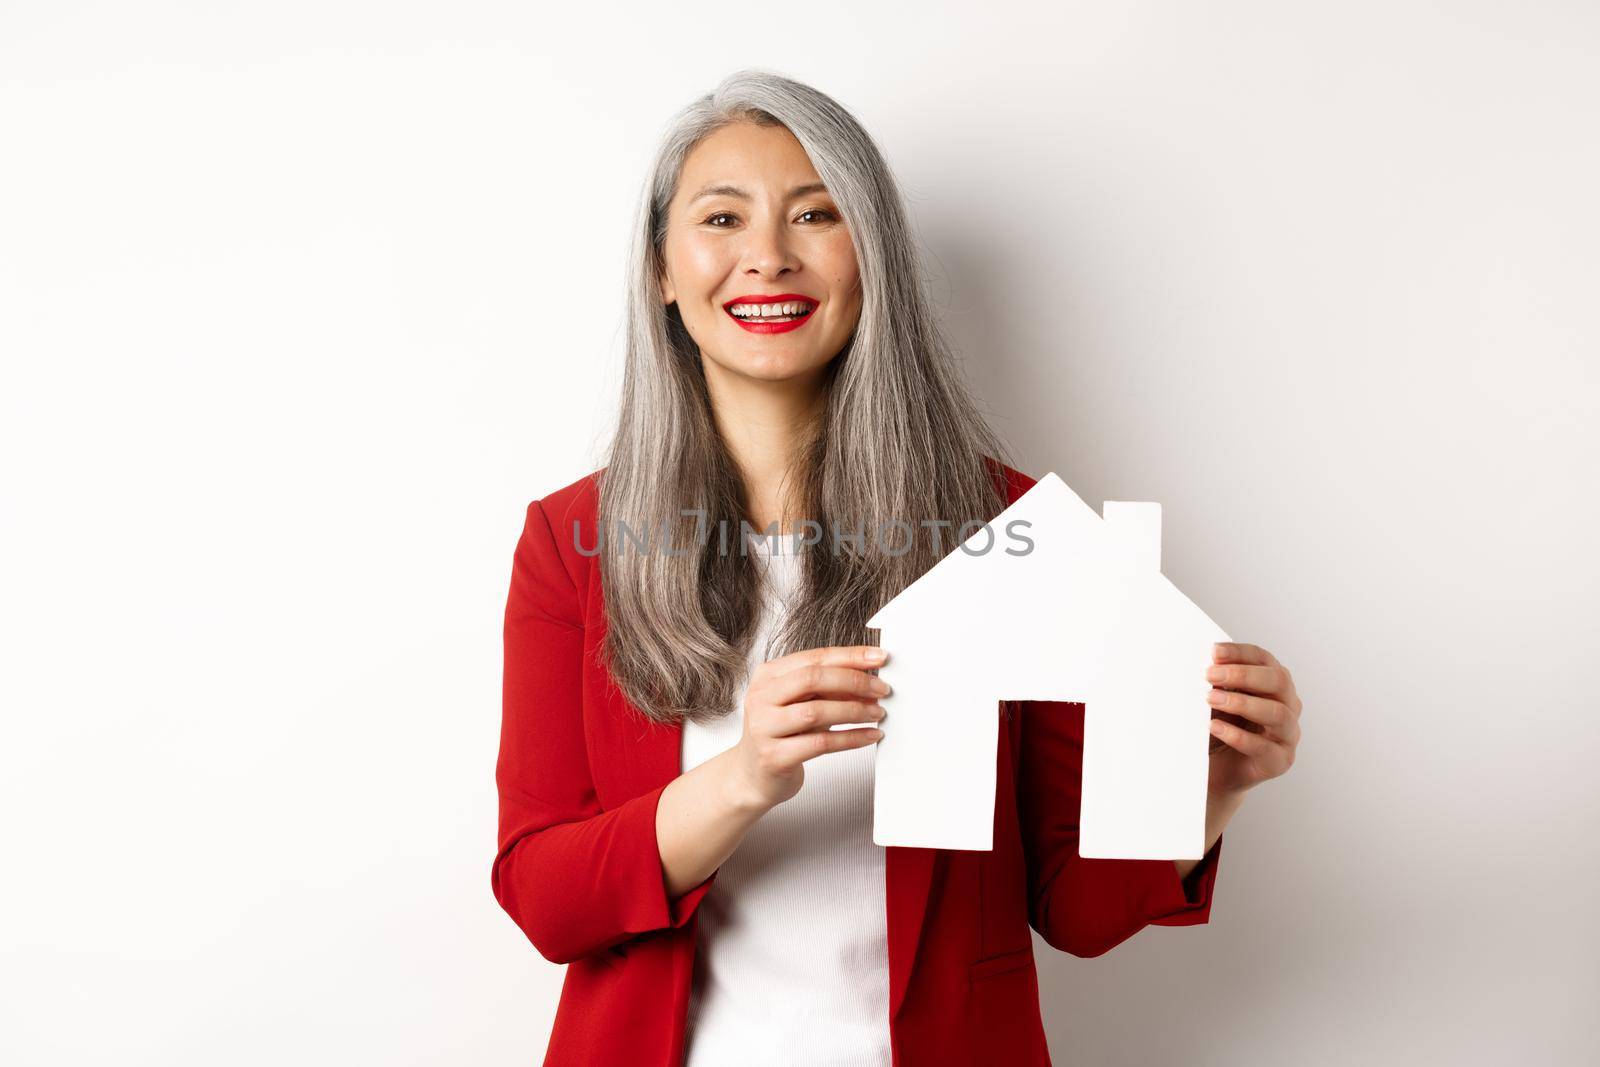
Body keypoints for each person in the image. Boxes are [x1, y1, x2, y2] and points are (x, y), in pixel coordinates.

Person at [492, 69, 1303, 1067]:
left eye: (815, 214)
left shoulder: (1007, 525)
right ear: (662, 267)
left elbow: (1075, 913)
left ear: (870, 257)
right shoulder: (573, 541)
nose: (768, 258)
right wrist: (744, 776)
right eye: (722, 218)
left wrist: (1206, 786)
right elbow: (544, 896)